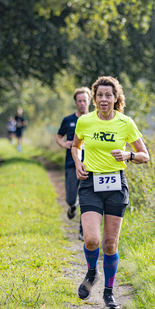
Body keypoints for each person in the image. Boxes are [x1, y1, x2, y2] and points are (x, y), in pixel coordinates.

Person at [71, 76, 149, 309]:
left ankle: (108, 292)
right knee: (91, 239)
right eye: (100, 95)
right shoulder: (85, 121)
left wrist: (128, 155)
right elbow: (76, 146)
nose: (103, 99)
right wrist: (78, 163)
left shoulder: (125, 123)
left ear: (116, 98)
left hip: (116, 184)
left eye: (108, 95)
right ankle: (92, 272)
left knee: (109, 245)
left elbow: (145, 155)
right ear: (94, 98)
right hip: (90, 184)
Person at [56, 87, 91, 240]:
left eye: (85, 100)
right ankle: (72, 205)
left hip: (90, 164)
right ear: (76, 103)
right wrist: (64, 144)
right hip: (71, 163)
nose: (82, 103)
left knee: (87, 199)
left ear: (89, 101)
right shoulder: (68, 120)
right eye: (79, 101)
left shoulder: (95, 120)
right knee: (71, 199)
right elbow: (59, 137)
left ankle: (83, 231)